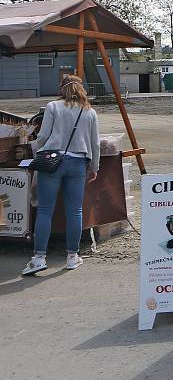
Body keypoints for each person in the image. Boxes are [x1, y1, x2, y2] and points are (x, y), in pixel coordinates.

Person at [22, 75, 100, 275]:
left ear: (62, 89)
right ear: (81, 89)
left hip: (52, 162)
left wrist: (38, 147)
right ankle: (72, 257)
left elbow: (44, 136)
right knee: (75, 211)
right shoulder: (89, 111)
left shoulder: (52, 106)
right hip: (78, 163)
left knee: (45, 210)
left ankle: (39, 258)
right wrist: (94, 167)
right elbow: (95, 143)